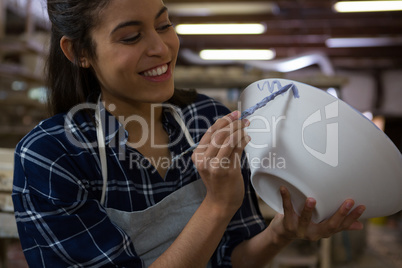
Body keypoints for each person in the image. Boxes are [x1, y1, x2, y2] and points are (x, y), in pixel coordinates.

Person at [12, 0, 366, 267]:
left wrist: (281, 232)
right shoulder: (52, 156)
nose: (161, 48)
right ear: (79, 52)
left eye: (164, 25)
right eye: (132, 36)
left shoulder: (209, 119)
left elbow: (231, 258)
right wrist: (217, 205)